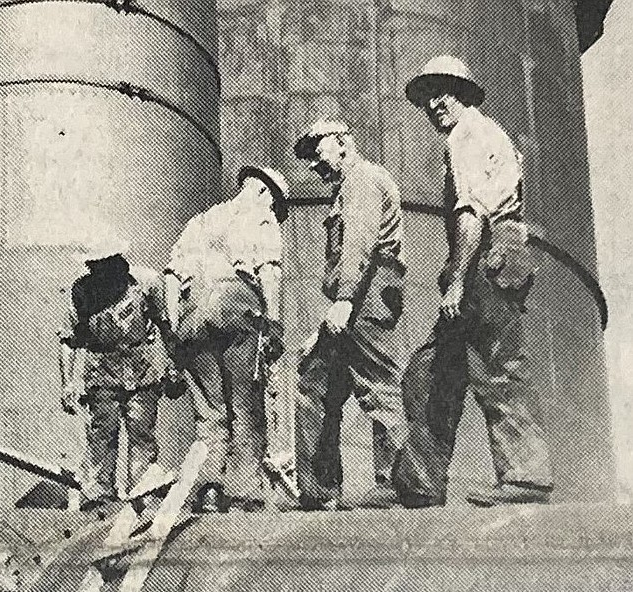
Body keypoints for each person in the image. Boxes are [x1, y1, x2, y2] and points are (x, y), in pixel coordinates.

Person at [392, 56, 554, 508]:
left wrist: (458, 279)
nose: (434, 103)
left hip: (487, 256)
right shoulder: (483, 134)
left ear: (464, 93)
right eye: (427, 96)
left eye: (444, 91)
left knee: (496, 367)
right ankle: (420, 481)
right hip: (485, 256)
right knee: (428, 371)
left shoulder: (469, 135)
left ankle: (527, 474)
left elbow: (471, 216)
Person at [293, 121, 408, 510]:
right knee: (314, 381)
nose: (312, 164)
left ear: (342, 144)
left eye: (317, 151)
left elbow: (359, 243)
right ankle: (318, 487)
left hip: (368, 292)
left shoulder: (363, 180)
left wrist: (343, 301)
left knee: (378, 385)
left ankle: (395, 483)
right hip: (353, 297)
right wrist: (329, 317)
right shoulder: (345, 189)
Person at [165, 166, 289, 510]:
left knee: (210, 411)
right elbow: (269, 271)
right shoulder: (263, 218)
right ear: (266, 194)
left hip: (193, 316)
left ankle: (208, 487)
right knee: (245, 405)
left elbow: (172, 277)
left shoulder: (201, 220)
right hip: (237, 308)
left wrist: (175, 329)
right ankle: (244, 492)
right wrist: (274, 322)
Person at [60, 234, 177, 508]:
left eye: (101, 264)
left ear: (115, 261)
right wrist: (67, 384)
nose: (95, 270)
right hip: (101, 372)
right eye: (92, 264)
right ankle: (101, 498)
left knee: (141, 434)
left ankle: (143, 495)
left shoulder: (146, 282)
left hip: (141, 369)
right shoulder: (82, 291)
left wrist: (173, 365)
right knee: (102, 434)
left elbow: (165, 327)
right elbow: (69, 340)